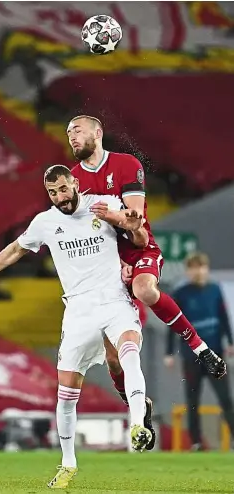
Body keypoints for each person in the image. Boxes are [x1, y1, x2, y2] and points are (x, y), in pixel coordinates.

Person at [0, 165, 152, 489]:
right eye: (53, 193)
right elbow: (16, 249)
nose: (60, 197)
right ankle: (68, 463)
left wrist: (134, 227)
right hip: (77, 310)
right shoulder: (45, 222)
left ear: (75, 183)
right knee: (66, 394)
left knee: (128, 352)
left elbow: (140, 237)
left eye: (63, 188)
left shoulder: (104, 204)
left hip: (115, 299)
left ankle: (138, 425)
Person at [68, 115, 227, 419]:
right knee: (112, 358)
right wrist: (112, 265)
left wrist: (117, 222)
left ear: (98, 132)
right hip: (104, 265)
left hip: (140, 250)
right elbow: (84, 238)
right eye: (68, 133)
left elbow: (137, 228)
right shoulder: (73, 181)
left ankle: (200, 348)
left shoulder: (127, 165)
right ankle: (137, 405)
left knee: (144, 288)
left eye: (77, 130)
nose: (72, 136)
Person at [164, 252, 234, 450]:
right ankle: (196, 442)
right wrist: (169, 353)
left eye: (201, 267)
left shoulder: (215, 290)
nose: (198, 272)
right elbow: (173, 323)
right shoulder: (181, 294)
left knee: (226, 399)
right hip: (191, 356)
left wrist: (230, 341)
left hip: (215, 354)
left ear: (206, 269)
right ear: (188, 271)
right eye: (194, 268)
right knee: (192, 401)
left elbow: (223, 318)